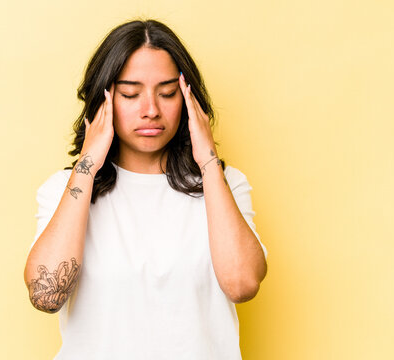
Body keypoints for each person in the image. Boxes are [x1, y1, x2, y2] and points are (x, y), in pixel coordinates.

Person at [23, 18, 268, 360]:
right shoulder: (63, 191)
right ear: (103, 99)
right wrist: (87, 164)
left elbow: (242, 285)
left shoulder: (225, 186)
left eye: (167, 93)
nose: (151, 110)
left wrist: (208, 160)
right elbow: (46, 296)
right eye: (130, 94)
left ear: (188, 100)